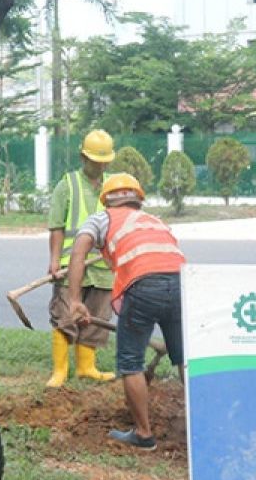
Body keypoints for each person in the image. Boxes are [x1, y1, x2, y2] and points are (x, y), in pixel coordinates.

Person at [66, 174, 186, 451]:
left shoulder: (101, 219)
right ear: (138, 198)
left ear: (106, 198)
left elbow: (78, 255)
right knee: (184, 359)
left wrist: (74, 300)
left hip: (143, 284)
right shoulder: (154, 221)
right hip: (182, 283)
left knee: (131, 361)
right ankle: (200, 426)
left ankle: (143, 434)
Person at [45, 129, 117, 387]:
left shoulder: (113, 187)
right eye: (95, 161)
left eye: (104, 162)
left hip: (101, 266)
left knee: (96, 316)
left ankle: (86, 367)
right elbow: (56, 226)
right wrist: (54, 260)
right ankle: (60, 371)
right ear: (83, 157)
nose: (99, 166)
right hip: (69, 265)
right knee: (65, 313)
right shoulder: (68, 184)